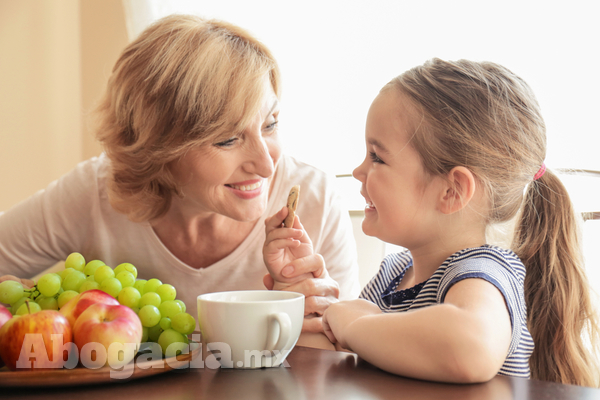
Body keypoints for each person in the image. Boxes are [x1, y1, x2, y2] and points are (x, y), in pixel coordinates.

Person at [0, 14, 360, 340]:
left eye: (270, 124)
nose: (266, 166)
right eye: (227, 139)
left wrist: (319, 326)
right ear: (158, 148)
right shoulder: (94, 194)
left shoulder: (315, 199)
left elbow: (344, 368)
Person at [265, 58, 599, 386]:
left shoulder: (483, 272)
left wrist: (354, 324)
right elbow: (331, 364)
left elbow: (469, 349)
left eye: (377, 157)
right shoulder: (390, 277)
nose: (358, 171)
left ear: (452, 191)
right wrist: (298, 293)